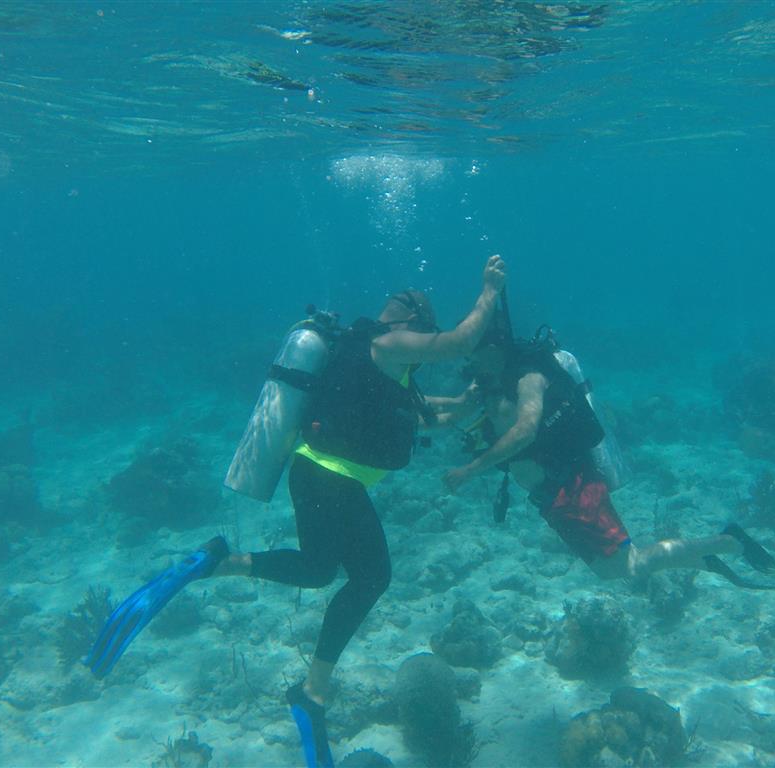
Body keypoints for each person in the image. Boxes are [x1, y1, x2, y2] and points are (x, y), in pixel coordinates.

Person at [86, 255, 507, 768]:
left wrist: (471, 399)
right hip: (330, 477)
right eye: (425, 324)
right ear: (414, 322)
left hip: (317, 476)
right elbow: (460, 342)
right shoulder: (387, 343)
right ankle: (312, 692)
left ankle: (214, 561)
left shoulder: (376, 361)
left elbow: (425, 417)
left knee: (318, 570)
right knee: (372, 577)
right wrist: (490, 289)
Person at [441, 324, 775, 589]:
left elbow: (525, 431)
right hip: (550, 495)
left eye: (472, 349)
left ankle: (727, 544)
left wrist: (470, 470)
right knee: (611, 571)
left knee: (627, 565)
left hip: (570, 484)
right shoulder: (488, 384)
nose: (467, 359)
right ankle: (706, 556)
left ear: (494, 348)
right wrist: (412, 406)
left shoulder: (527, 379)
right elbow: (449, 412)